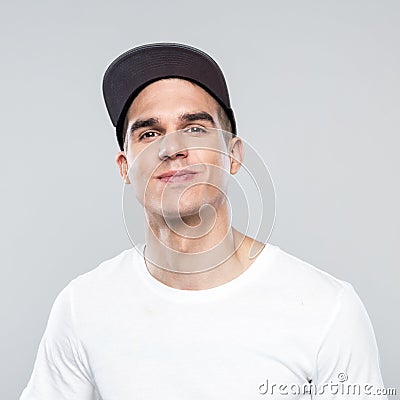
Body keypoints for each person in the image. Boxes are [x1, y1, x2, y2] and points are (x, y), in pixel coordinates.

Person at [20, 43, 388, 399]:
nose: (172, 148)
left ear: (233, 154)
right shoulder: (83, 306)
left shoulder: (327, 308)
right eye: (149, 133)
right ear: (125, 168)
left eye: (195, 128)